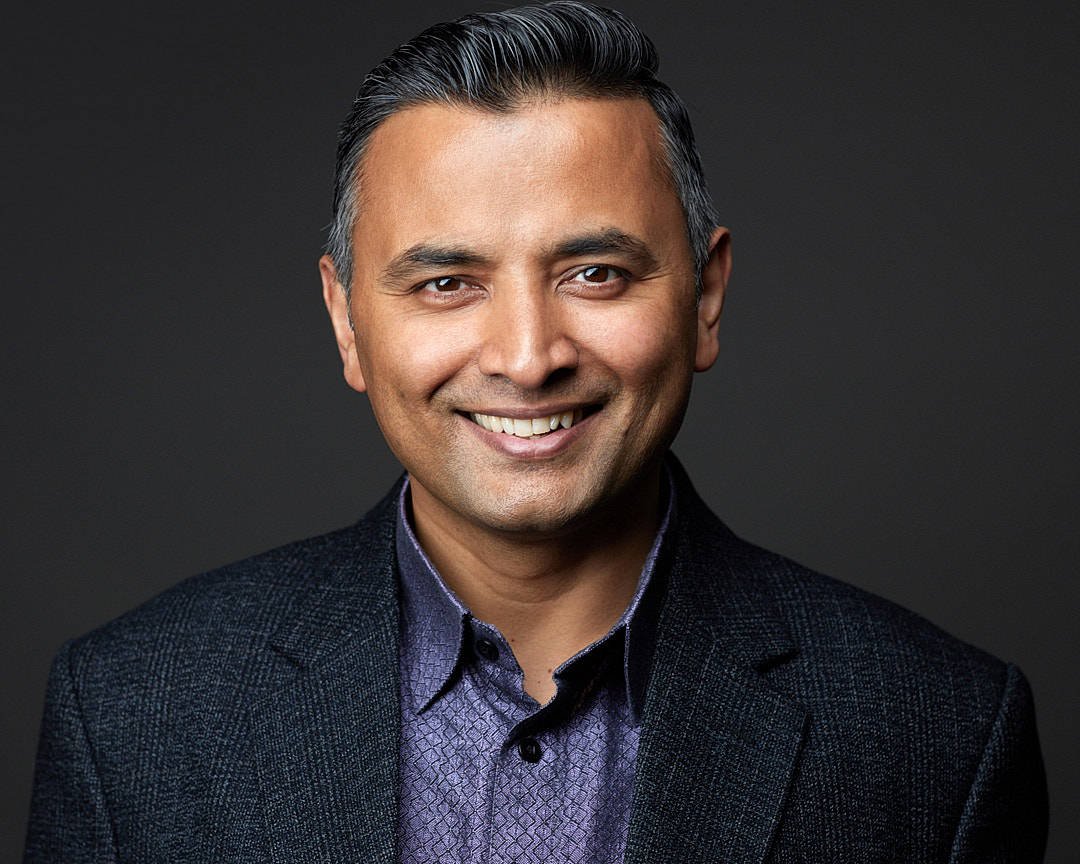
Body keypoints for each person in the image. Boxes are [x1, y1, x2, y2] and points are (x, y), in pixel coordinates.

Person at [24, 3, 1047, 862]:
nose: (526, 355)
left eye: (595, 274)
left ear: (705, 298)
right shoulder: (133, 718)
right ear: (346, 322)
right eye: (446, 282)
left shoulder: (939, 736)